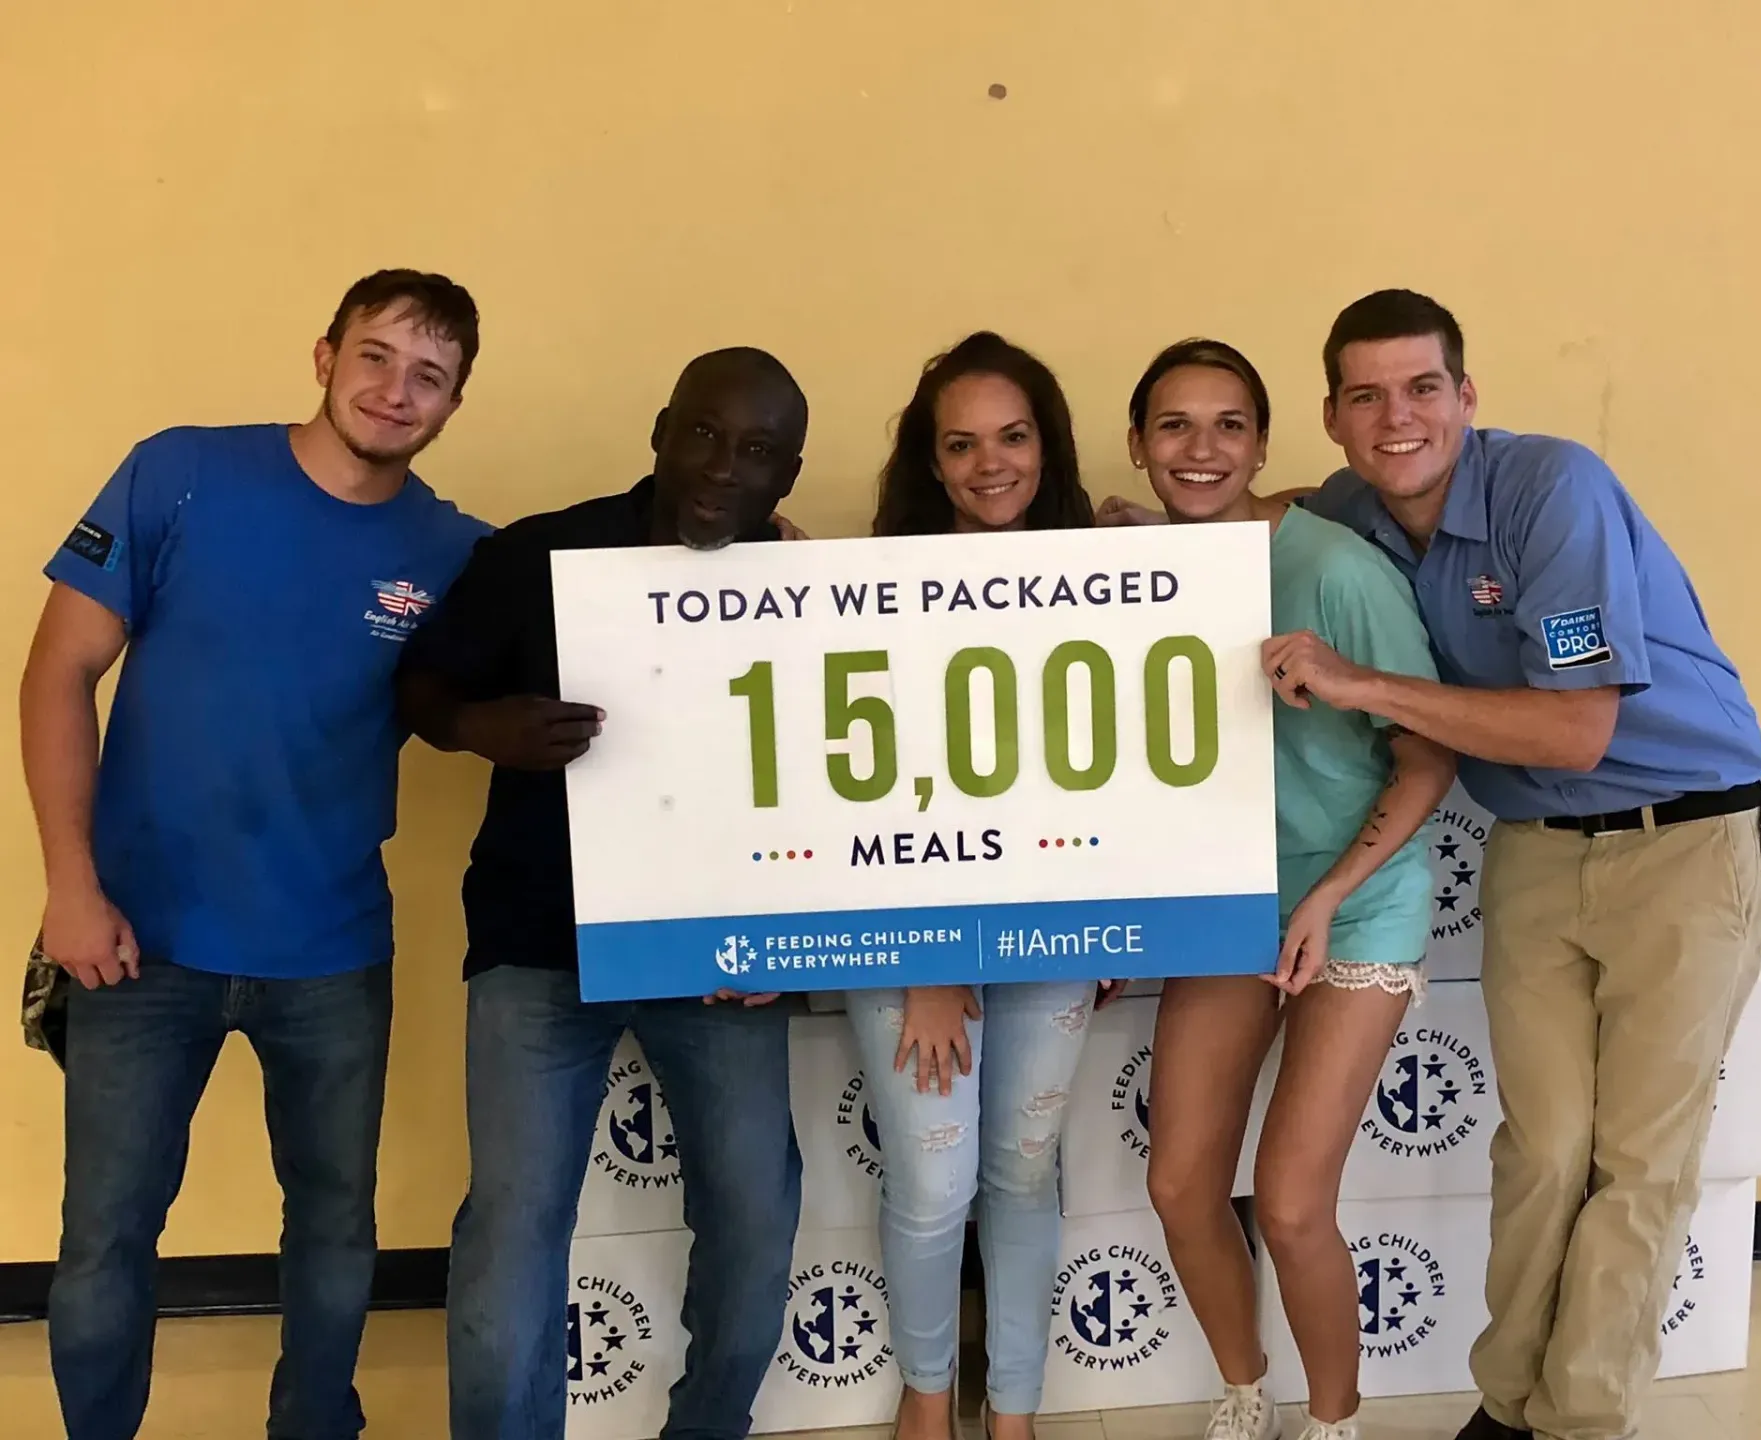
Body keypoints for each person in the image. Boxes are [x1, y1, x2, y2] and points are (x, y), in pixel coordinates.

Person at [1268, 290, 1761, 1440]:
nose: (1398, 417)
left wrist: (1365, 685)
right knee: (1544, 1151)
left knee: (1636, 1161)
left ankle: (1580, 1420)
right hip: (1537, 853)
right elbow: (1265, 505)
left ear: (1466, 396)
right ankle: (1510, 1407)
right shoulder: (1352, 505)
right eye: (1367, 396)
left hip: (1684, 842)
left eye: (1422, 388)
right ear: (1337, 419)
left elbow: (1573, 731)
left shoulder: (1554, 489)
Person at [21, 269, 489, 1440]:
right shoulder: (179, 473)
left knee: (335, 1231)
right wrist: (68, 890)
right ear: (324, 354)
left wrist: (747, 561)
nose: (397, 390)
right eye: (377, 356)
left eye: (429, 376)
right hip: (136, 939)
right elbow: (57, 672)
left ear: (454, 404)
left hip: (330, 950)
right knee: (103, 1245)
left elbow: (608, 604)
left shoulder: (453, 554)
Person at [396, 348, 810, 1440]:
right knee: (514, 1228)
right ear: (663, 429)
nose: (726, 467)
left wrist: (792, 942)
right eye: (708, 434)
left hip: (719, 959)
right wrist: (479, 727)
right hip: (538, 943)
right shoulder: (538, 554)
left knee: (758, 1218)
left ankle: (705, 1429)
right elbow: (423, 684)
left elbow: (833, 794)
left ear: (790, 476)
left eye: (760, 451)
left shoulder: (808, 591)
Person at [1128, 339, 1455, 1440]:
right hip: (1227, 902)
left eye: (1229, 424)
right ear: (1138, 448)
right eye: (1174, 425)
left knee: (1290, 1199)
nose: (1202, 448)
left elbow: (1428, 757)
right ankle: (1243, 1390)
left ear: (1264, 444)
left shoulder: (1335, 568)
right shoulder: (1136, 577)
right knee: (1180, 1186)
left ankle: (1332, 1422)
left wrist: (1328, 897)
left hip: (1355, 900)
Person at [853, 331, 1107, 1440]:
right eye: (961, 444)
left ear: (1047, 445)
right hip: (908, 942)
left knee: (1022, 1168)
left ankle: (1015, 1412)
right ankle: (925, 1398)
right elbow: (854, 799)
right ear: (930, 460)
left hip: (1053, 931)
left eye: (1013, 438)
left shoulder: (1106, 577)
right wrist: (925, 962)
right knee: (936, 1184)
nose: (990, 464)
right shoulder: (867, 589)